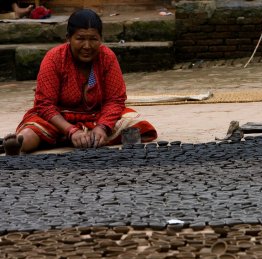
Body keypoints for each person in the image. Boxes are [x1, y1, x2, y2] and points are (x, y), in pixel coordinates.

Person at [3, 8, 157, 155]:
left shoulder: (107, 57)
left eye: (93, 39)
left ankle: (83, 138)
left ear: (101, 39)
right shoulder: (55, 58)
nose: (87, 46)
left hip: (97, 117)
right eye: (80, 39)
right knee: (30, 132)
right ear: (68, 38)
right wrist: (71, 130)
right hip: (58, 120)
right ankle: (20, 145)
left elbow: (115, 100)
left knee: (135, 124)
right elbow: (44, 104)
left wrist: (102, 128)